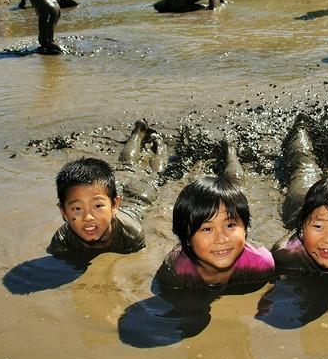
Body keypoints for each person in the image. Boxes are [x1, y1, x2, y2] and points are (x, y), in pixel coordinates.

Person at [48, 122, 165, 256]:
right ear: (63, 212)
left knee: (155, 173)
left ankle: (158, 143)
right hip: (106, 193)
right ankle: (138, 131)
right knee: (126, 166)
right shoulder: (62, 240)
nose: (88, 217)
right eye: (77, 208)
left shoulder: (131, 235)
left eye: (97, 206)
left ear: (115, 205)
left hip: (138, 199)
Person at [155, 176, 275, 290]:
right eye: (207, 229)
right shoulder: (176, 273)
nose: (221, 239)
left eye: (230, 225)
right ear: (186, 238)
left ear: (245, 229)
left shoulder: (260, 263)